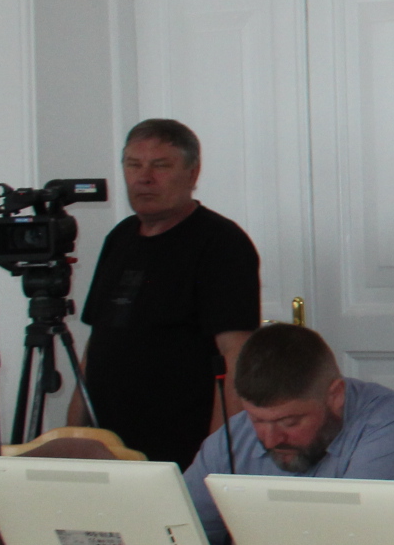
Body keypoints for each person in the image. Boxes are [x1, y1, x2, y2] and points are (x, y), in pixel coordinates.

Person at [74, 120, 261, 467]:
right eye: (133, 165)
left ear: (192, 173)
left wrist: (216, 456)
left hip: (181, 450)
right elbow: (95, 345)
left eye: (160, 165)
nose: (144, 178)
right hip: (107, 449)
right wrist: (74, 437)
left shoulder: (221, 243)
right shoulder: (119, 238)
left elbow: (236, 354)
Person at [183, 323, 394, 545]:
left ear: (335, 395)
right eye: (258, 420)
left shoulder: (393, 429)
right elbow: (182, 534)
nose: (271, 439)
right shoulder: (235, 436)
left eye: (289, 422)